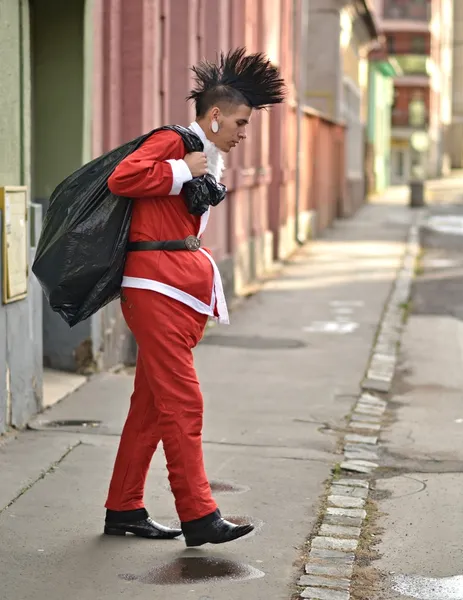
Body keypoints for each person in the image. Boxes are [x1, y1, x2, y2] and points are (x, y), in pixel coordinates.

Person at [102, 47, 285, 547]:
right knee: (184, 402)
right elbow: (123, 178)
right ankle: (199, 515)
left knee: (150, 406)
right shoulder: (173, 141)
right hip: (154, 287)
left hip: (177, 287)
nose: (244, 133)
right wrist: (182, 170)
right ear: (216, 114)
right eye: (241, 123)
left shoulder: (210, 156)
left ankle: (124, 507)